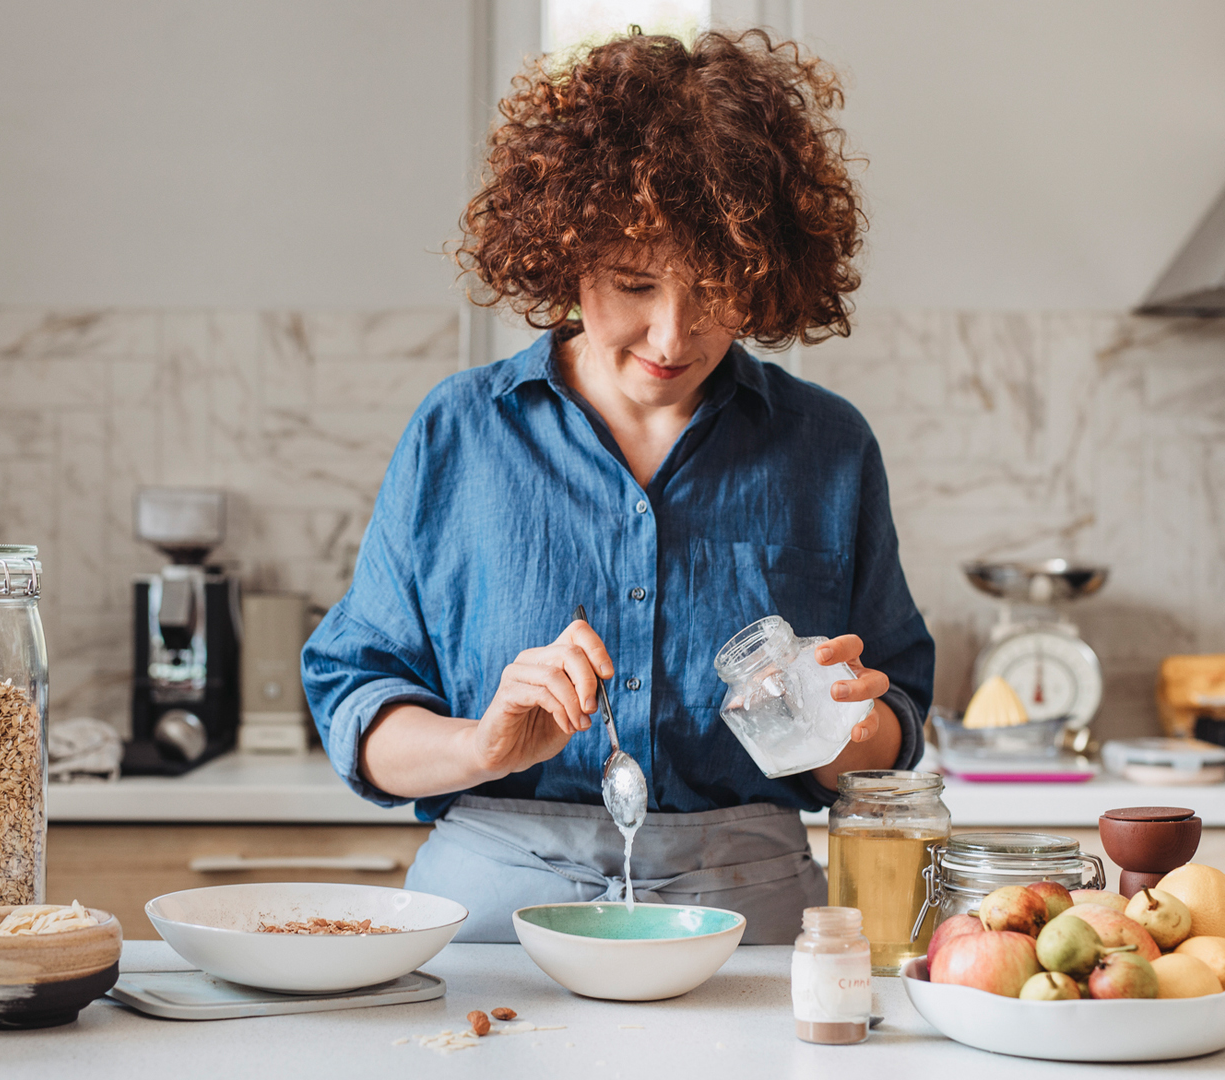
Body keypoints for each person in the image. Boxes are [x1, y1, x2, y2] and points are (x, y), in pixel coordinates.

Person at [303, 29, 933, 944]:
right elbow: (358, 701)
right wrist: (480, 743)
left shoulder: (827, 446)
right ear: (565, 256)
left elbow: (893, 733)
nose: (672, 336)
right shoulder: (461, 431)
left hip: (750, 899)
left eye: (714, 287)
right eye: (634, 283)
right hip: (492, 902)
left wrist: (852, 732)